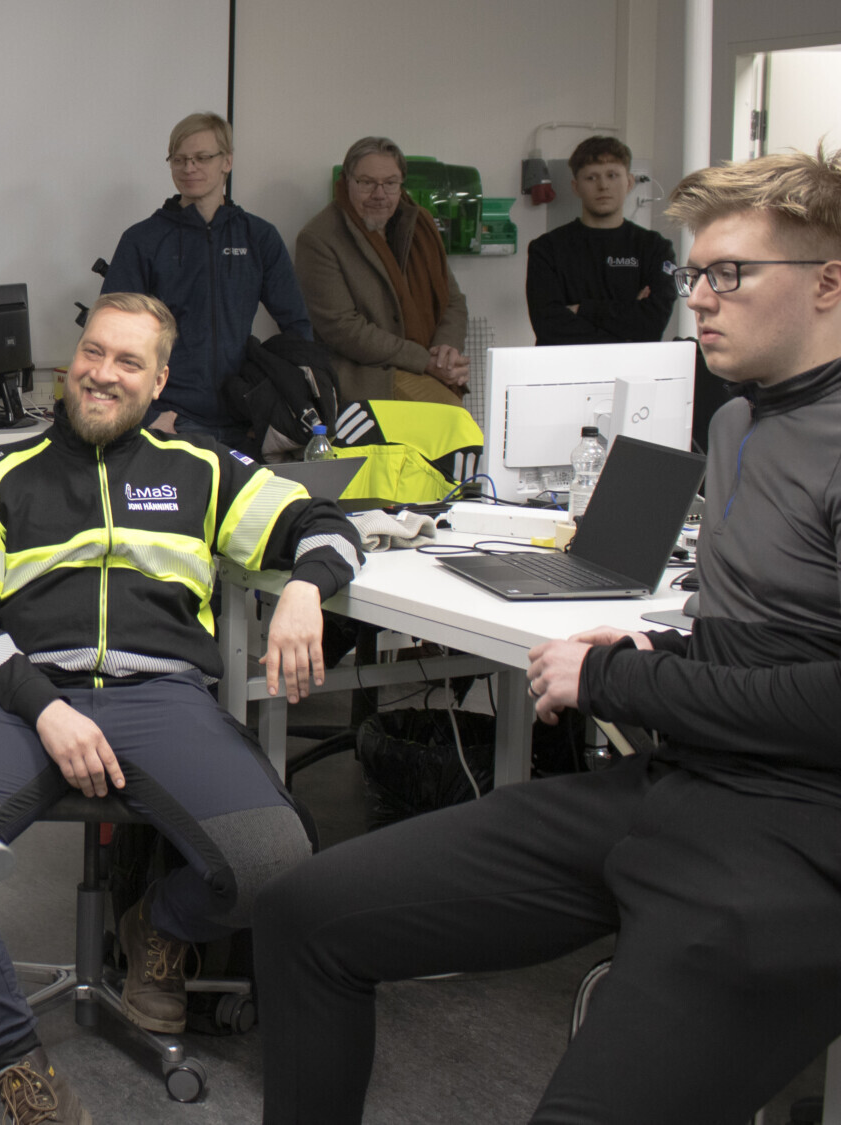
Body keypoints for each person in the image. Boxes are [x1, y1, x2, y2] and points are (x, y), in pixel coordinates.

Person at [256, 147, 841, 1125]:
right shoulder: (740, 423)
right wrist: (663, 655)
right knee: (301, 914)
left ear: (827, 282)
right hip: (681, 784)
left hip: (797, 837)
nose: (698, 298)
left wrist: (615, 680)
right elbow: (771, 638)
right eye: (695, 272)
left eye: (731, 274)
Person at [0, 292, 363, 1123]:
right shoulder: (0, 473)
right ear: (70, 362)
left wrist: (307, 587)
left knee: (277, 864)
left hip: (160, 694)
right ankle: (15, 1063)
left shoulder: (201, 467)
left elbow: (325, 523)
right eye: (94, 352)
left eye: (129, 361)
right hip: (17, 695)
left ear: (159, 382)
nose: (104, 373)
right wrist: (44, 707)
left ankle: (156, 923)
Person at [102, 111, 312, 452]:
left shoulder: (259, 237)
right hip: (171, 421)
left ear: (227, 161)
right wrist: (149, 416)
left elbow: (297, 331)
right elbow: (111, 334)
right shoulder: (143, 240)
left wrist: (280, 408)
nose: (189, 168)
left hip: (245, 421)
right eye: (179, 159)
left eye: (202, 158)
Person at [295, 137, 471, 406]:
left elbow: (452, 300)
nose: (379, 194)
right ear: (347, 181)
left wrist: (446, 352)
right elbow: (343, 328)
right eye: (367, 183)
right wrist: (424, 361)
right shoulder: (319, 238)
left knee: (456, 422)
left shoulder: (420, 223)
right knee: (449, 415)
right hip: (368, 375)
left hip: (427, 364)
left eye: (390, 183)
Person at [526, 135, 679, 345]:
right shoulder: (547, 249)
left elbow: (652, 323)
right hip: (566, 365)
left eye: (612, 175)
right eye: (591, 178)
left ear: (629, 182)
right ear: (575, 187)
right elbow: (549, 328)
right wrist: (626, 329)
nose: (603, 186)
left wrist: (582, 309)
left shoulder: (655, 249)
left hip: (632, 365)